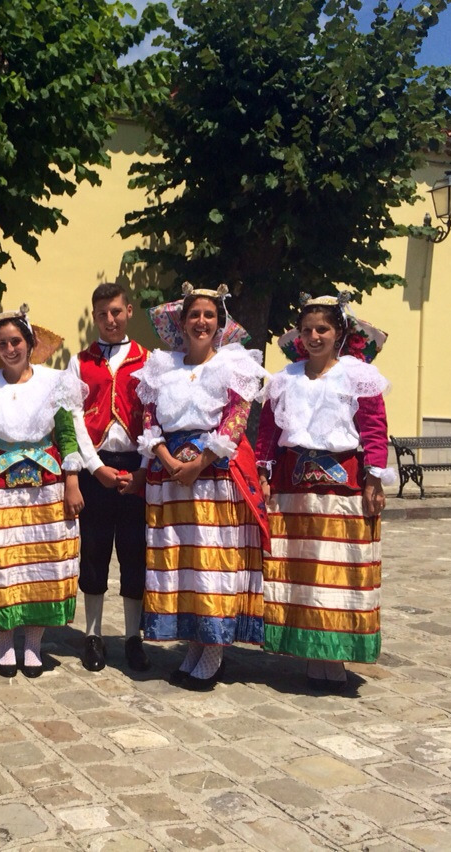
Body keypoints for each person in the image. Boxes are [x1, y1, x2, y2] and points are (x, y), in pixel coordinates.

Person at [131, 284, 270, 690]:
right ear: (182, 321)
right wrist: (171, 461)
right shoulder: (162, 366)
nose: (202, 322)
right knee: (181, 562)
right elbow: (148, 419)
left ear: (220, 321)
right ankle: (194, 645)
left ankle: (213, 652)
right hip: (170, 477)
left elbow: (235, 419)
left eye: (210, 315)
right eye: (194, 315)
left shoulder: (234, 365)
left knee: (211, 560)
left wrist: (200, 463)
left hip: (213, 476)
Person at [254, 293, 392, 691]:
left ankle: (333, 655)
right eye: (308, 329)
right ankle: (309, 650)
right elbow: (268, 434)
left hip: (341, 486)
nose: (314, 336)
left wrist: (374, 478)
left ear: (339, 332)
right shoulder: (285, 379)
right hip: (292, 485)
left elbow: (373, 429)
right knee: (303, 570)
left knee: (337, 569)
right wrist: (263, 475)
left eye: (323, 329)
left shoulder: (356, 375)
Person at [0, 305, 85, 678]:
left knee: (39, 563)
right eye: (2, 343)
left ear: (30, 343)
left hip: (46, 488)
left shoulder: (54, 382)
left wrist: (72, 480)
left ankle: (32, 647)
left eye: (16, 341)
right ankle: (3, 647)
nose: (10, 348)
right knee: (4, 566)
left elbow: (65, 433)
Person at [67, 283, 151, 673]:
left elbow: (156, 420)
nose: (110, 319)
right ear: (95, 316)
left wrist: (143, 471)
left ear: (129, 311)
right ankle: (94, 634)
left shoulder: (151, 361)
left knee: (135, 552)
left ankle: (133, 637)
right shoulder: (79, 361)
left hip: (136, 465)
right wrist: (94, 467)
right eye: (102, 314)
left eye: (116, 311)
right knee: (95, 551)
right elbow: (73, 419)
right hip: (96, 466)